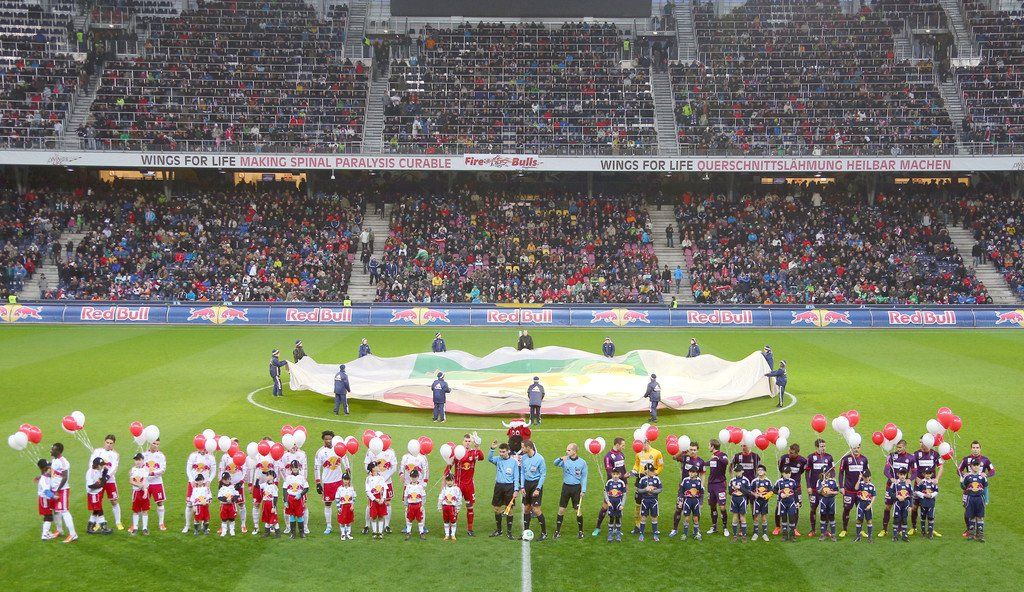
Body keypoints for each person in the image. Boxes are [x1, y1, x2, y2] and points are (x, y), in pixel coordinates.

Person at [444, 433, 484, 536]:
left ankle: (470, 529)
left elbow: (481, 457)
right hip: (457, 485)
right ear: (463, 442)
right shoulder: (457, 452)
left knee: (470, 506)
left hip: (469, 485)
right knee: (454, 506)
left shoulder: (473, 453)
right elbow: (448, 467)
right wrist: (445, 481)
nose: (467, 443)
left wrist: (477, 446)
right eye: (466, 441)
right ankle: (451, 528)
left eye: (469, 441)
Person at [315, 430, 350, 535]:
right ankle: (329, 525)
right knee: (328, 504)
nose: (328, 441)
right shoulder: (320, 452)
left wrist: (347, 468)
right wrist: (318, 482)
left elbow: (344, 457)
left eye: (330, 439)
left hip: (339, 481)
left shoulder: (338, 448)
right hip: (327, 482)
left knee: (343, 502)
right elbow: (317, 468)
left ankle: (343, 523)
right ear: (323, 440)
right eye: (326, 439)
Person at [957, 440, 995, 537]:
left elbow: (993, 471)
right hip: (968, 490)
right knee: (967, 509)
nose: (975, 449)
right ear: (971, 449)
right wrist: (963, 475)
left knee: (980, 509)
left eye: (977, 447)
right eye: (973, 447)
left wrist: (986, 474)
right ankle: (969, 529)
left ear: (980, 449)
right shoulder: (966, 459)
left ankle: (979, 531)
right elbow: (958, 470)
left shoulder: (985, 460)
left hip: (980, 489)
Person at [880, 439, 915, 538]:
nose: (898, 449)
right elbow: (886, 470)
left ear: (905, 447)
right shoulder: (891, 456)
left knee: (901, 507)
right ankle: (884, 529)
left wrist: (910, 479)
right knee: (888, 507)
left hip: (902, 487)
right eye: (897, 447)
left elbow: (915, 471)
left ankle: (899, 530)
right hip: (891, 486)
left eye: (900, 447)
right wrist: (891, 478)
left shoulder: (911, 458)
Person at [593, 437, 627, 536]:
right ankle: (597, 528)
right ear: (617, 445)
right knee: (605, 506)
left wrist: (626, 483)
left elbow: (624, 469)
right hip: (611, 486)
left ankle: (617, 529)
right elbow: (610, 472)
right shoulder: (608, 457)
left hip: (621, 486)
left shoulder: (621, 455)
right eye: (623, 445)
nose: (624, 447)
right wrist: (622, 476)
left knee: (619, 507)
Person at [363, 436, 397, 534]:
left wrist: (383, 479)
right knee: (370, 503)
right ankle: (367, 525)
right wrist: (372, 475)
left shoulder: (391, 452)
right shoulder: (371, 451)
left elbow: (394, 467)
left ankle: (386, 525)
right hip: (373, 482)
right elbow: (366, 464)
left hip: (387, 481)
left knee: (387, 502)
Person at [553, 443, 588, 539]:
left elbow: (584, 477)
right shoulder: (565, 460)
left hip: (576, 488)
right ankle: (557, 531)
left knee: (577, 510)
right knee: (561, 509)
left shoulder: (582, 462)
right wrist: (560, 458)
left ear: (574, 451)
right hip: (566, 487)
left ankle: (580, 531)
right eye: (567, 450)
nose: (567, 451)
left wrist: (583, 490)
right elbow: (555, 463)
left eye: (568, 450)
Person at [487, 441, 521, 539]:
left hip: (509, 487)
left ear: (508, 451)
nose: (501, 454)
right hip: (498, 486)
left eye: (503, 452)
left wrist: (516, 490)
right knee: (496, 509)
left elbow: (516, 477)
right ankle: (499, 530)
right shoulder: (498, 459)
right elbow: (489, 459)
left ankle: (509, 532)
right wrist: (492, 449)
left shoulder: (514, 462)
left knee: (509, 509)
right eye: (500, 452)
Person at [89, 434, 122, 530]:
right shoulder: (97, 451)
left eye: (111, 443)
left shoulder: (115, 455)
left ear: (114, 444)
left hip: (110, 480)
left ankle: (118, 522)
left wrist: (106, 477)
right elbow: (91, 463)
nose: (108, 444)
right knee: (98, 501)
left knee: (113, 500)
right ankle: (97, 523)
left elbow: (114, 467)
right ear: (104, 442)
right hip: (98, 480)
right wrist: (95, 475)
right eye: (107, 442)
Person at [631, 439, 664, 534]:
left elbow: (661, 465)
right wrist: (634, 471)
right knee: (638, 503)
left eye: (643, 444)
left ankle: (654, 526)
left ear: (648, 443)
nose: (641, 447)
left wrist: (654, 474)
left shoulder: (657, 453)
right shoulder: (638, 453)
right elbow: (636, 464)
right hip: (640, 480)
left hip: (652, 481)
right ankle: (637, 525)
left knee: (652, 500)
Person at [911, 440, 943, 536]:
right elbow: (911, 468)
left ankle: (930, 529)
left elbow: (941, 467)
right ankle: (914, 527)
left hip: (930, 486)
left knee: (930, 506)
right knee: (915, 506)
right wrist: (916, 478)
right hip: (919, 485)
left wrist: (937, 479)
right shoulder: (916, 454)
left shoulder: (935, 454)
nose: (921, 444)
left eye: (923, 442)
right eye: (920, 442)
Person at [183, 439, 216, 533]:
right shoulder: (193, 456)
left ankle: (204, 525)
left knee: (204, 503)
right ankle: (187, 525)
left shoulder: (211, 457)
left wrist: (209, 481)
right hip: (193, 483)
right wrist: (191, 480)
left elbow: (213, 471)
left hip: (204, 485)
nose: (202, 449)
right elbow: (188, 468)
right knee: (189, 504)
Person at [837, 444, 868, 537]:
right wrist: (841, 487)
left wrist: (867, 487)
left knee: (861, 510)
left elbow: (867, 474)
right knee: (846, 509)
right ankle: (844, 529)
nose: (856, 449)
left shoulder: (864, 459)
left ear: (860, 448)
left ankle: (861, 530)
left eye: (858, 447)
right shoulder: (845, 459)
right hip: (848, 490)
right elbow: (841, 473)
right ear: (851, 448)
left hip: (860, 491)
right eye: (854, 448)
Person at [519, 439, 548, 540]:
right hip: (527, 484)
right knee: (527, 508)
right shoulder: (523, 458)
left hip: (536, 484)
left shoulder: (540, 459)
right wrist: (522, 486)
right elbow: (522, 472)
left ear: (529, 447)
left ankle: (544, 533)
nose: (521, 449)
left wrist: (538, 489)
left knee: (536, 509)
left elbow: (543, 474)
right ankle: (525, 532)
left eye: (523, 447)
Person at [774, 443, 805, 534]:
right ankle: (777, 527)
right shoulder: (784, 458)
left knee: (796, 506)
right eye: (789, 452)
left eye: (792, 453)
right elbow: (780, 469)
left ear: (797, 453)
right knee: (779, 506)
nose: (789, 454)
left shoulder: (802, 461)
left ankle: (794, 528)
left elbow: (801, 471)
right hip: (783, 487)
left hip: (796, 488)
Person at [400, 440, 430, 532]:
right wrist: (401, 474)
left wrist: (424, 483)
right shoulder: (405, 457)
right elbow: (401, 467)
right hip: (407, 485)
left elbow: (426, 470)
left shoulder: (422, 458)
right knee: (407, 506)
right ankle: (407, 525)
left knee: (421, 506)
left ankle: (422, 525)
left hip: (419, 485)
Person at [49, 442, 77, 542]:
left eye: (52, 449)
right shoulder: (54, 460)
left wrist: (57, 490)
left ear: (58, 451)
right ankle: (59, 530)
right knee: (55, 510)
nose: (51, 450)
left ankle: (73, 534)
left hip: (62, 490)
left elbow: (65, 477)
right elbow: (53, 474)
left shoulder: (63, 462)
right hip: (53, 490)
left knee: (64, 511)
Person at [218, 443, 248, 533]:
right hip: (227, 485)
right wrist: (221, 482)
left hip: (238, 485)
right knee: (223, 504)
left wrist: (241, 482)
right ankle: (223, 525)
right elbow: (221, 469)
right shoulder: (225, 457)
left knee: (241, 504)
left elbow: (245, 470)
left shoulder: (241, 456)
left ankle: (243, 524)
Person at [806, 438, 833, 536]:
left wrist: (831, 480)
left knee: (825, 509)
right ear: (817, 447)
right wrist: (808, 486)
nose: (823, 448)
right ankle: (813, 530)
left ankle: (825, 530)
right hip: (814, 489)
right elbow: (807, 473)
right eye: (821, 446)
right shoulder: (810, 457)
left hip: (825, 489)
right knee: (813, 508)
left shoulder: (829, 457)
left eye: (824, 446)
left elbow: (832, 471)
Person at [672, 465, 704, 541]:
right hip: (687, 501)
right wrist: (680, 501)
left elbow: (701, 492)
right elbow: (681, 491)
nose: (691, 473)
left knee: (696, 518)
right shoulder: (685, 480)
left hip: (695, 501)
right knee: (686, 518)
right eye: (690, 472)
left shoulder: (699, 481)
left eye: (693, 472)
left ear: (696, 473)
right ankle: (685, 534)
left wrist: (701, 502)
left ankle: (696, 533)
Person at [706, 438, 729, 536]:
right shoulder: (712, 457)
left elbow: (726, 462)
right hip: (711, 485)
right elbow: (707, 464)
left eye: (709, 445)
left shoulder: (722, 455)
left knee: (722, 507)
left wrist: (717, 458)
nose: (708, 447)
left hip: (720, 485)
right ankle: (714, 526)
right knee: (712, 505)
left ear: (713, 446)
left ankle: (725, 528)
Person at [961, 459, 988, 542]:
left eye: (977, 465)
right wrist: (961, 481)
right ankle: (971, 534)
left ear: (980, 466)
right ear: (971, 466)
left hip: (980, 499)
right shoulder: (967, 477)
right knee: (971, 516)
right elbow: (964, 488)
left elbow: (985, 488)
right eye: (974, 465)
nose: (976, 467)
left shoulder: (983, 477)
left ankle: (980, 535)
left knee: (980, 516)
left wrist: (986, 499)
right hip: (970, 498)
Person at [85, 456, 113, 535]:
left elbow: (102, 479)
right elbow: (90, 485)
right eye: (101, 465)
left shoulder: (98, 470)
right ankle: (103, 527)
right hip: (93, 494)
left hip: (97, 493)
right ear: (97, 465)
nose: (102, 466)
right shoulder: (90, 472)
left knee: (96, 510)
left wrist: (105, 472)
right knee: (99, 510)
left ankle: (90, 527)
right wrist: (101, 485)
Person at [283, 460, 309, 539]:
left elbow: (306, 488)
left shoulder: (302, 477)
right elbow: (285, 489)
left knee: (300, 516)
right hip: (290, 499)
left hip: (299, 499)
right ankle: (293, 533)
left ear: (299, 468)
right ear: (291, 468)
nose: (295, 469)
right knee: (292, 516)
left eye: (296, 467)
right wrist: (285, 500)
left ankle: (302, 532)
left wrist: (300, 494)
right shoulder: (288, 478)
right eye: (293, 467)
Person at [636, 463, 662, 541]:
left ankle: (655, 534)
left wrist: (653, 491)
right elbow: (639, 490)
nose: (653, 472)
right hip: (645, 501)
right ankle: (641, 534)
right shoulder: (642, 479)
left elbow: (660, 489)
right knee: (643, 517)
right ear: (646, 471)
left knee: (654, 517)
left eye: (653, 470)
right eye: (651, 471)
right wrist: (645, 489)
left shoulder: (657, 479)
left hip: (654, 501)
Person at [774, 466, 800, 542]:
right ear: (782, 473)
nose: (787, 475)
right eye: (785, 473)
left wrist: (797, 502)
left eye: (789, 473)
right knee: (784, 519)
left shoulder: (793, 481)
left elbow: (795, 492)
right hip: (782, 503)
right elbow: (774, 490)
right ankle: (784, 535)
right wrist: (780, 493)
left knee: (792, 518)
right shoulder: (779, 482)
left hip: (791, 503)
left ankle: (792, 535)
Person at [887, 467, 913, 542]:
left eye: (904, 475)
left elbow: (911, 495)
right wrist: (897, 496)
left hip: (906, 504)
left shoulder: (908, 484)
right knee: (896, 519)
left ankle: (904, 535)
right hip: (897, 504)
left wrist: (910, 506)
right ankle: (895, 535)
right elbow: (889, 493)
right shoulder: (895, 483)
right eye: (901, 474)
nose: (902, 476)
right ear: (898, 474)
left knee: (904, 519)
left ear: (906, 475)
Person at [913, 467, 939, 539]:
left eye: (929, 473)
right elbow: (916, 491)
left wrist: (931, 495)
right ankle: (923, 532)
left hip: (931, 503)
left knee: (931, 517)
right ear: (923, 474)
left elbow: (936, 491)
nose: (928, 475)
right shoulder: (921, 482)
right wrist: (924, 495)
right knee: (923, 517)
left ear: (932, 474)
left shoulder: (933, 483)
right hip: (923, 503)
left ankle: (930, 533)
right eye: (926, 473)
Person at [603, 468, 627, 542]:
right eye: (614, 474)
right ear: (611, 474)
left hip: (618, 504)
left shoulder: (622, 483)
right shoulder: (609, 482)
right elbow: (605, 492)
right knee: (611, 518)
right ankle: (610, 533)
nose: (615, 476)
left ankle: (618, 533)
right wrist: (608, 502)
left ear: (619, 474)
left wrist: (622, 504)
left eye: (617, 474)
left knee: (618, 518)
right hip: (611, 504)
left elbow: (624, 494)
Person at [749, 464, 772, 541]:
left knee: (764, 517)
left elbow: (771, 492)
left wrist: (765, 496)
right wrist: (755, 494)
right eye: (758, 470)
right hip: (756, 502)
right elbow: (750, 491)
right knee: (756, 517)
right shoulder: (754, 481)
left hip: (764, 502)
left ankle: (764, 534)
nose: (760, 471)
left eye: (762, 470)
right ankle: (755, 533)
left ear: (765, 472)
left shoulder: (768, 481)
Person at [129, 452, 150, 535]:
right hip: (136, 492)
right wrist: (139, 485)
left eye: (139, 460)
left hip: (143, 491)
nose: (137, 461)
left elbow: (144, 481)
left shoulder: (145, 469)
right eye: (136, 460)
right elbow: (131, 481)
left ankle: (144, 528)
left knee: (145, 510)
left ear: (142, 460)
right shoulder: (133, 469)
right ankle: (135, 528)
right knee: (135, 510)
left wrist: (144, 490)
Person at [728, 465, 751, 542]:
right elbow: (729, 492)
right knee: (735, 517)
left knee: (742, 517)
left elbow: (748, 492)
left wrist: (740, 488)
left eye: (739, 471)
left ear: (742, 471)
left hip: (742, 499)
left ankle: (744, 536)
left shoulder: (746, 480)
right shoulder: (732, 480)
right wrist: (733, 488)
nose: (737, 473)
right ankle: (735, 536)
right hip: (734, 499)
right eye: (736, 471)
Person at [403, 469, 427, 540]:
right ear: (410, 477)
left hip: (418, 505)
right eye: (412, 477)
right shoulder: (408, 486)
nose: (413, 478)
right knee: (409, 519)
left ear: (418, 477)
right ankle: (408, 532)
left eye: (415, 477)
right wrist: (406, 506)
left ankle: (421, 532)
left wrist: (422, 505)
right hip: (410, 505)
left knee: (420, 519)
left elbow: (423, 496)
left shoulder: (420, 486)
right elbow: (405, 496)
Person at [817, 467, 840, 541]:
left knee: (831, 516)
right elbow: (818, 491)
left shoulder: (833, 481)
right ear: (822, 473)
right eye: (825, 472)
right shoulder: (819, 481)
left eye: (828, 472)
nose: (827, 474)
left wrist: (831, 492)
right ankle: (822, 534)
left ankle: (833, 535)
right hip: (823, 500)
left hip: (831, 500)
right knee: (823, 516)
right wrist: (822, 487)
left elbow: (837, 491)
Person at [439, 474, 464, 540]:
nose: (449, 482)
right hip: (445, 507)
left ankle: (453, 535)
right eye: (448, 481)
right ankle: (447, 534)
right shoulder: (444, 489)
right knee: (446, 521)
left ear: (453, 481)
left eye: (451, 480)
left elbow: (459, 499)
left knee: (453, 521)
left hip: (452, 508)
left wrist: (458, 508)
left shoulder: (456, 489)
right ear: (446, 481)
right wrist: (439, 507)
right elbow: (440, 498)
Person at [37, 459, 57, 540]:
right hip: (44, 499)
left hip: (46, 499)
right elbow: (46, 491)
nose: (50, 468)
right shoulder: (44, 479)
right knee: (48, 516)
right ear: (44, 468)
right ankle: (44, 534)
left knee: (48, 516)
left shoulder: (46, 476)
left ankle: (46, 532)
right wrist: (54, 497)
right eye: (48, 466)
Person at [854, 469, 876, 542]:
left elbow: (874, 496)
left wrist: (870, 505)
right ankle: (858, 537)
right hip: (861, 504)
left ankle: (870, 538)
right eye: (864, 477)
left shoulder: (872, 486)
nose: (866, 478)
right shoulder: (861, 484)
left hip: (868, 505)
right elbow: (856, 488)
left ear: (870, 477)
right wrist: (859, 479)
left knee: (869, 521)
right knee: (859, 520)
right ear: (862, 477)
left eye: (867, 477)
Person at [334, 471, 357, 540]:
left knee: (349, 520)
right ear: (342, 480)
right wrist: (338, 507)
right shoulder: (339, 489)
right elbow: (337, 499)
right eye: (344, 479)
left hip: (349, 506)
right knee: (342, 521)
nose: (346, 481)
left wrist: (352, 505)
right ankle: (343, 534)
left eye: (347, 479)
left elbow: (354, 498)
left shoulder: (352, 488)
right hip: (342, 506)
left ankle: (348, 533)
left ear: (349, 480)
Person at [258, 470, 280, 538]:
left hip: (271, 504)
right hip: (265, 504)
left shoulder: (274, 487)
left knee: (274, 519)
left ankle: (278, 533)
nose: (267, 477)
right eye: (267, 475)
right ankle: (267, 532)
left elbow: (275, 497)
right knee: (266, 518)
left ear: (272, 477)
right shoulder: (264, 484)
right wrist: (257, 479)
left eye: (268, 475)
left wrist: (274, 507)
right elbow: (257, 486)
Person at [216, 471, 239, 537]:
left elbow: (237, 495)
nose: (226, 481)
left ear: (230, 479)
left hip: (231, 505)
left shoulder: (233, 487)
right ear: (222, 480)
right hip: (224, 506)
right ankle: (224, 530)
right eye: (224, 479)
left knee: (232, 518)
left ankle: (232, 530)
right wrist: (226, 499)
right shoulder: (221, 488)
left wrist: (232, 499)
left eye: (227, 479)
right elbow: (219, 497)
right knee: (224, 518)